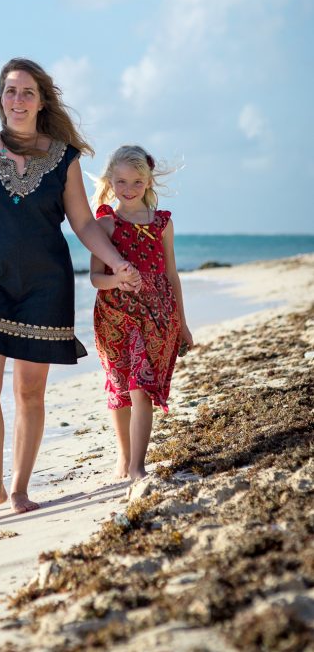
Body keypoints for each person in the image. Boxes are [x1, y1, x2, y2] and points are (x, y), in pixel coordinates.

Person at [0, 58, 140, 519]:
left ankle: (18, 487)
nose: (18, 100)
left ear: (41, 101)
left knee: (30, 393)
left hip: (44, 286)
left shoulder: (64, 158)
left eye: (27, 92)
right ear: (0, 100)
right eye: (11, 91)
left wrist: (116, 261)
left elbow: (82, 223)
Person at [90, 144, 193, 482]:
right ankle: (124, 456)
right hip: (115, 316)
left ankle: (137, 466)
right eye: (121, 182)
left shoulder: (162, 223)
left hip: (157, 316)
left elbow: (171, 275)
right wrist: (117, 279)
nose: (129, 190)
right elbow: (95, 278)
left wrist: (183, 324)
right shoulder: (105, 223)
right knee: (119, 387)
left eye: (137, 182)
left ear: (148, 182)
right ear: (110, 181)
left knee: (141, 385)